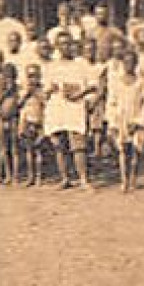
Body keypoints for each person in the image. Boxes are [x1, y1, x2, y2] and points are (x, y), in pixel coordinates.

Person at [43, 34, 96, 189]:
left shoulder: (81, 64)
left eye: (68, 44)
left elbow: (93, 86)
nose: (65, 47)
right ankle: (65, 178)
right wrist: (51, 89)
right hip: (58, 106)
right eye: (61, 44)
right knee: (59, 143)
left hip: (75, 106)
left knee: (78, 144)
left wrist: (78, 94)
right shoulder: (51, 66)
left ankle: (83, 179)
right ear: (57, 47)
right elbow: (46, 89)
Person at [107, 49, 144, 193]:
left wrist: (139, 121)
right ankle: (124, 180)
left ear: (136, 64)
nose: (129, 65)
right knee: (123, 150)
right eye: (126, 62)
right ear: (122, 63)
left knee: (136, 151)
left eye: (132, 62)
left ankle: (133, 178)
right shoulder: (116, 81)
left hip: (136, 117)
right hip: (121, 119)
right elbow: (111, 102)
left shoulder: (142, 82)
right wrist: (113, 122)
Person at [17, 63, 47, 187]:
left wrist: (36, 93)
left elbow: (45, 103)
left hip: (39, 120)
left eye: (35, 76)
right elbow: (18, 104)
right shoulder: (23, 89)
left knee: (39, 150)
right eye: (30, 76)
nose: (32, 79)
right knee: (29, 150)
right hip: (26, 119)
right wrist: (26, 94)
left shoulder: (42, 89)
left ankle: (39, 176)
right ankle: (31, 176)